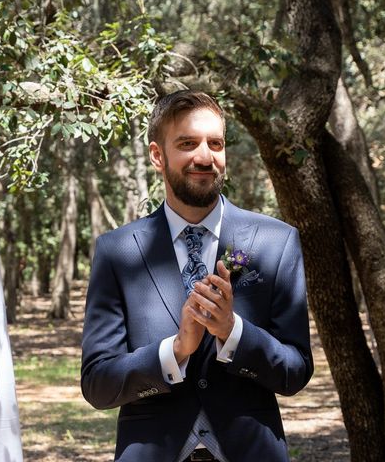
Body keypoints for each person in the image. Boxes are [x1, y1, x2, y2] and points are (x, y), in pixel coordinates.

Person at [81, 90, 313, 462]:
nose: (205, 157)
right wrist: (174, 352)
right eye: (188, 143)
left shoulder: (276, 241)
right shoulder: (117, 251)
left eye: (215, 143)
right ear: (158, 155)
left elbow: (296, 370)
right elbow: (97, 385)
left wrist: (233, 332)